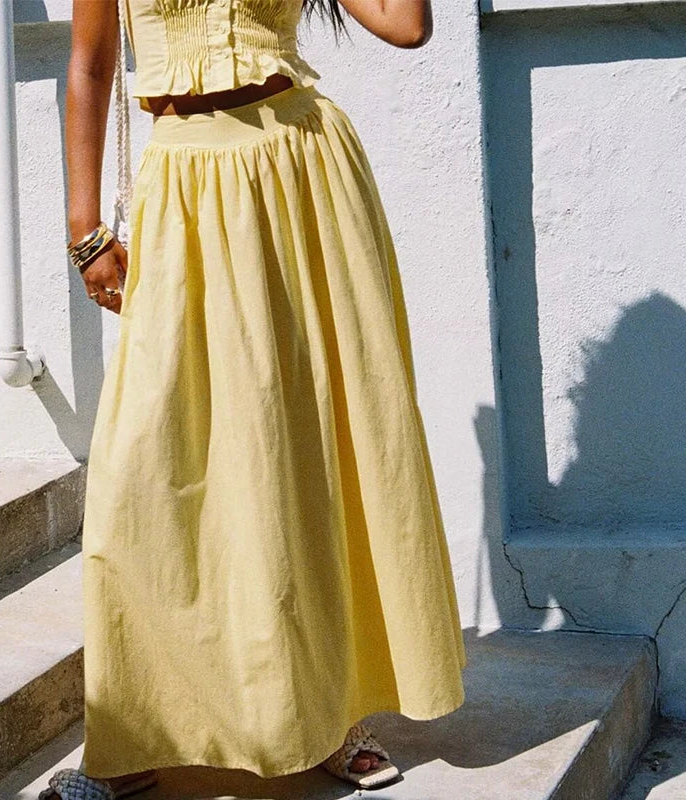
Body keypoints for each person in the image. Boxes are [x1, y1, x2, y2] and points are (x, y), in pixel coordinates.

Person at [45, 0, 467, 796]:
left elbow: (406, 26)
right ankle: (132, 736)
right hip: (187, 187)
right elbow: (91, 66)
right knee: (149, 467)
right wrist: (85, 228)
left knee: (312, 441)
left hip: (303, 170)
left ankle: (332, 711)